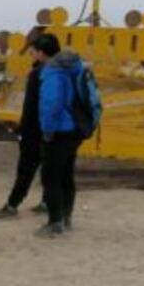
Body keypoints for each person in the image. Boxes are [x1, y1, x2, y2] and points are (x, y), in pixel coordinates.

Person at [0, 38, 48, 220]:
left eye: (32, 52)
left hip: (35, 130)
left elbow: (31, 106)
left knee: (26, 168)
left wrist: (20, 128)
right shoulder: (63, 72)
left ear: (40, 52)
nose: (30, 55)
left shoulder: (38, 73)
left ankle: (12, 205)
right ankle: (48, 202)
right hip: (55, 130)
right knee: (51, 168)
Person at [35, 34, 83, 237]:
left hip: (59, 130)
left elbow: (50, 104)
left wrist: (47, 130)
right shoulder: (71, 68)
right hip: (74, 128)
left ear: (41, 52)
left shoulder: (53, 73)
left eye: (34, 51)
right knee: (66, 175)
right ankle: (66, 216)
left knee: (50, 177)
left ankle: (55, 223)